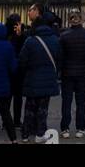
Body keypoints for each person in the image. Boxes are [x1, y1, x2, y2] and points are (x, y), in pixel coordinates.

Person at [18, 9, 61, 142]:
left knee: (29, 107)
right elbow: (60, 58)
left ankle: (25, 134)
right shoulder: (55, 39)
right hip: (48, 78)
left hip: (32, 78)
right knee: (43, 108)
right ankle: (40, 133)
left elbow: (22, 60)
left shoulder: (30, 40)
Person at [59, 9, 85, 138]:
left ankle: (65, 128)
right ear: (81, 19)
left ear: (70, 19)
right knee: (81, 102)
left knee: (66, 101)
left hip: (67, 72)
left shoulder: (64, 36)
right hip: (82, 72)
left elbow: (61, 56)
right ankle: (80, 128)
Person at [6, 13, 26, 133]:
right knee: (17, 97)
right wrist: (20, 35)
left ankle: (7, 120)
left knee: (9, 97)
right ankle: (16, 121)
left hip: (9, 69)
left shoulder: (6, 33)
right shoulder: (20, 35)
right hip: (18, 69)